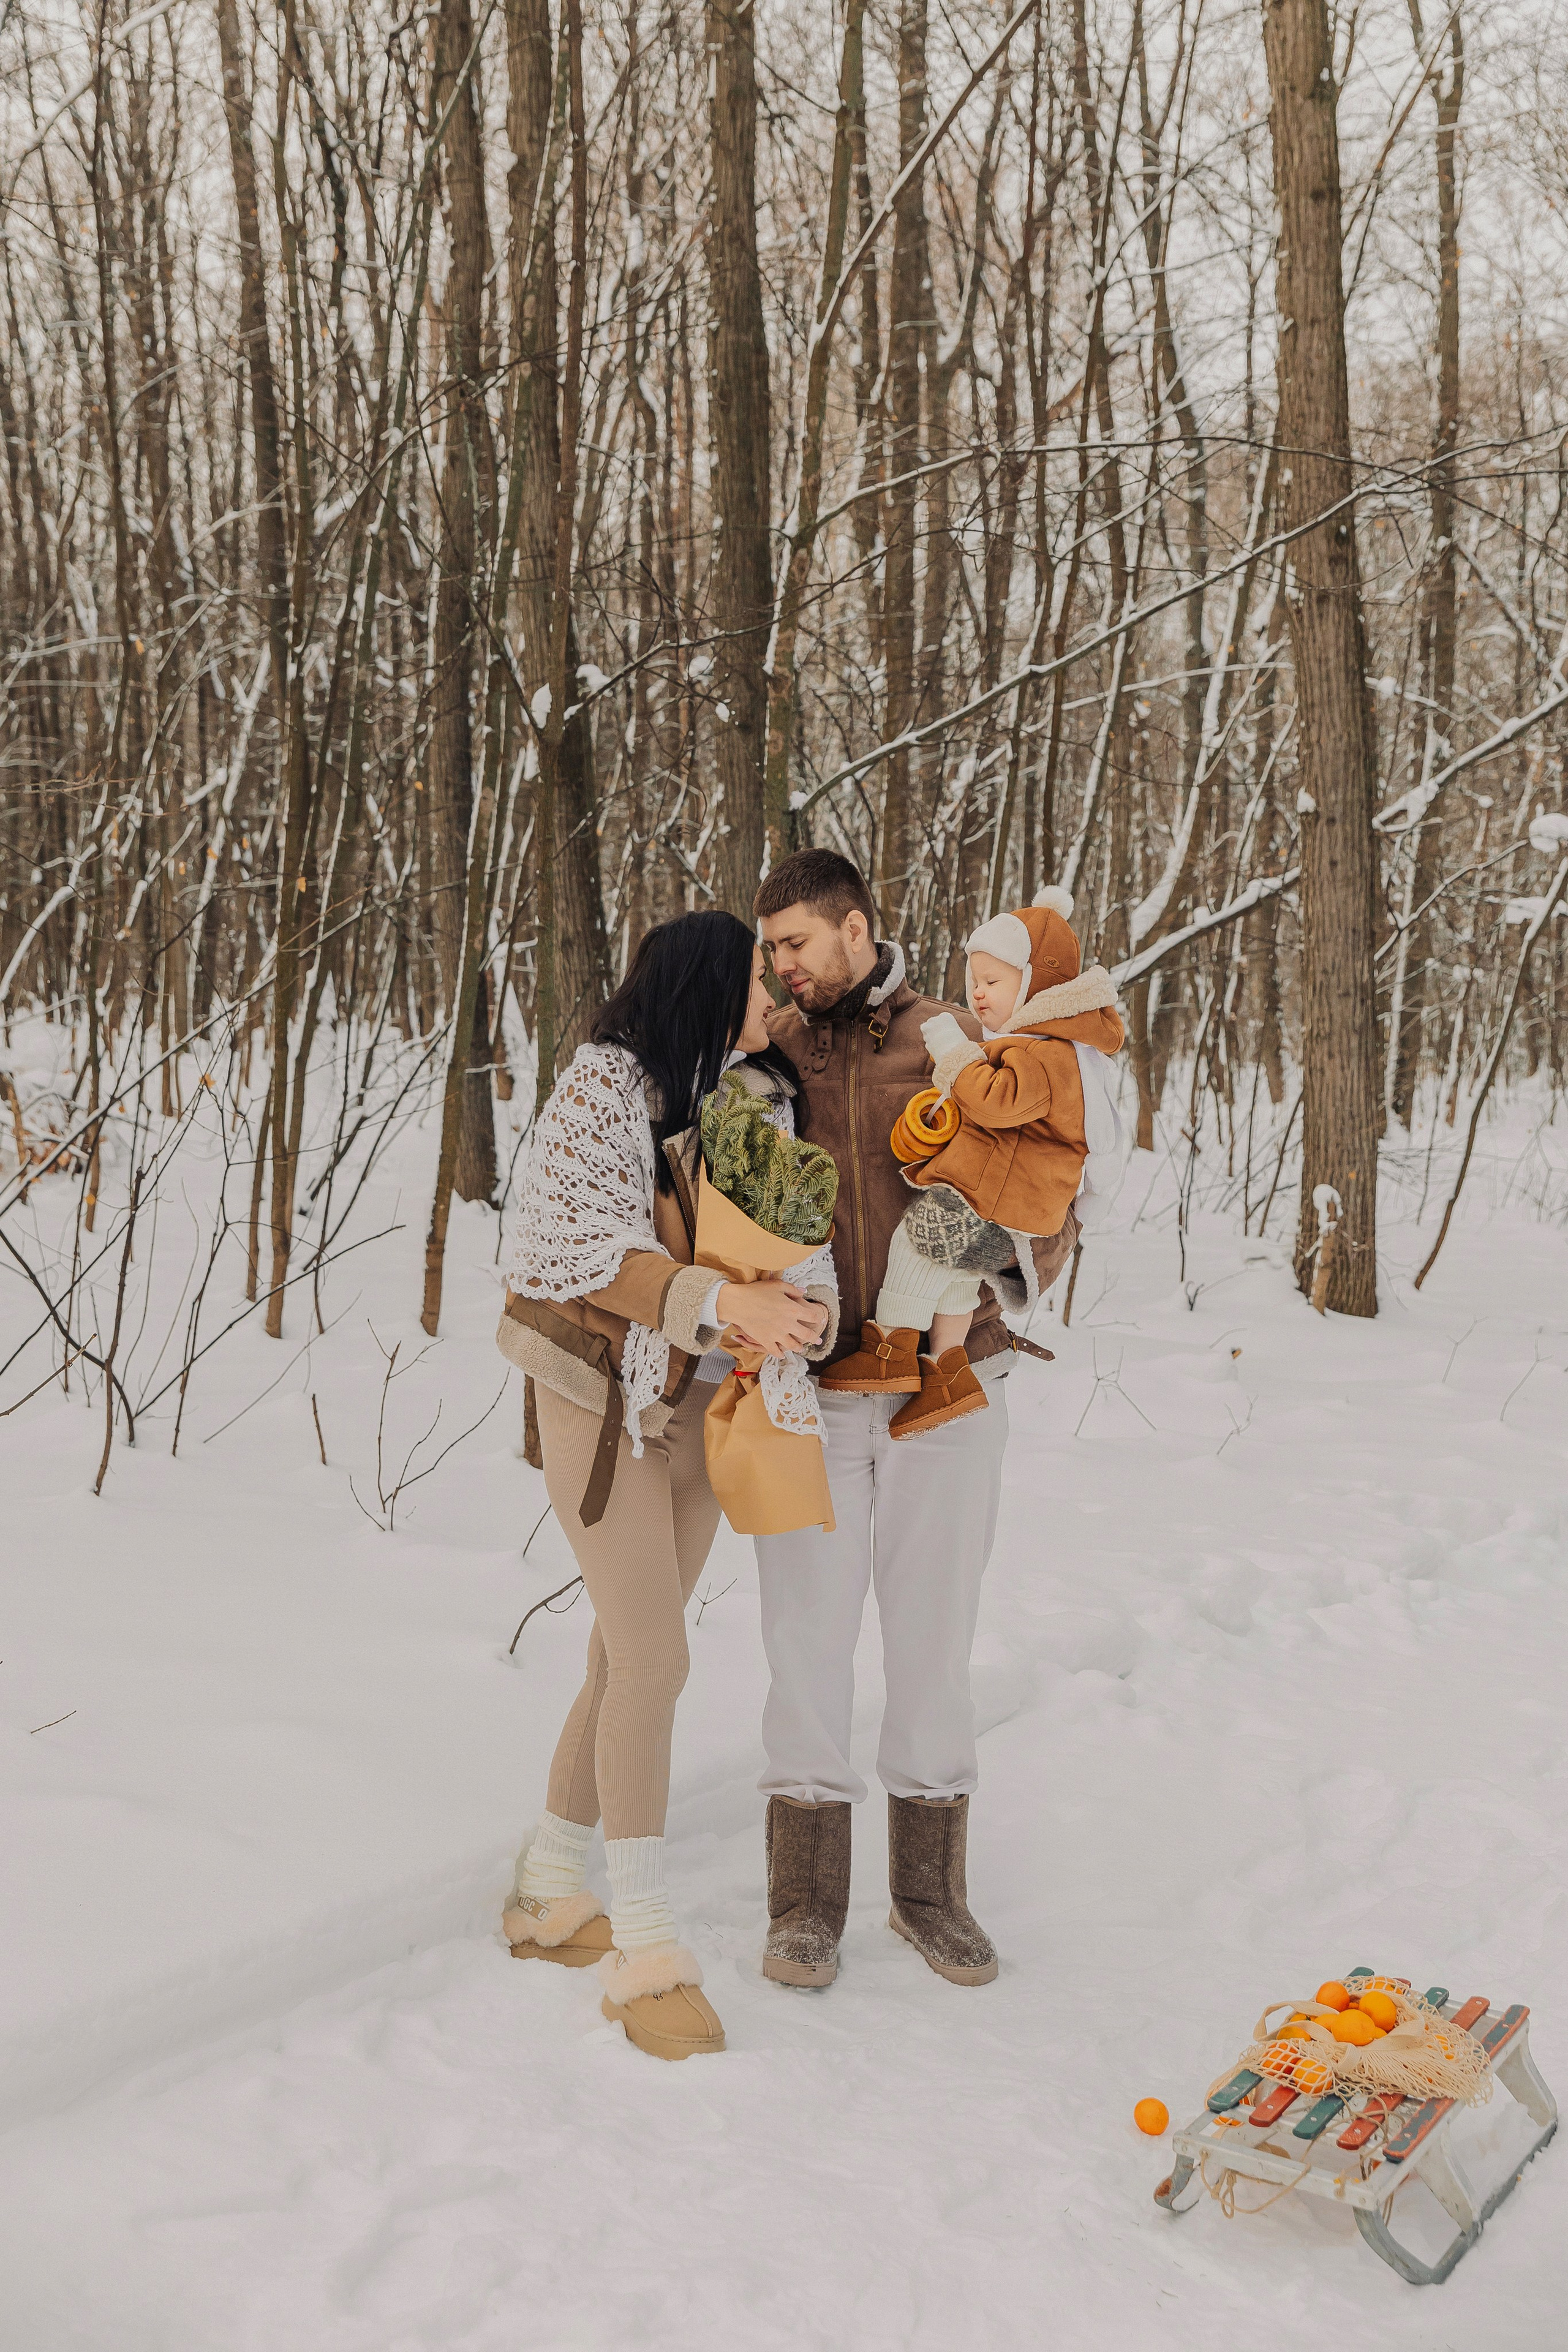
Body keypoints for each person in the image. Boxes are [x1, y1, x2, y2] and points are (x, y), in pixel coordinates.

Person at [497, 911, 835, 2060]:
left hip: (689, 1402)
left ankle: (546, 1889)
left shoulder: (732, 1094)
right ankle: (643, 1940)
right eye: (756, 975)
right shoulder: (602, 1088)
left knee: (623, 1654)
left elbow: (762, 1241)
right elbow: (562, 1250)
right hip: (596, 1401)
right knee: (655, 1659)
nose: (774, 993)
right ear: (701, 982)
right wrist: (718, 1302)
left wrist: (789, 1302)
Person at [751, 850, 1080, 1994]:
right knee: (805, 1643)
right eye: (771, 948)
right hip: (812, 1397)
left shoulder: (952, 1035)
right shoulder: (768, 1055)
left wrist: (988, 1271)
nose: (782, 965)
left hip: (946, 1392)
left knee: (933, 1641)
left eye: (797, 942)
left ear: (856, 928)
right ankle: (803, 1902)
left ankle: (930, 1893)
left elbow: (1045, 1184)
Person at [826, 886, 1125, 1436]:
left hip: (994, 1196)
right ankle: (948, 1372)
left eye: (994, 983)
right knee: (953, 1276)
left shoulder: (1044, 1051)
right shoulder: (1043, 1046)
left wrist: (954, 1051)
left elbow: (997, 1102)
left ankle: (890, 1353)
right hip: (1009, 1201)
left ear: (1037, 984)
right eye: (975, 982)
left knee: (917, 1242)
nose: (979, 995)